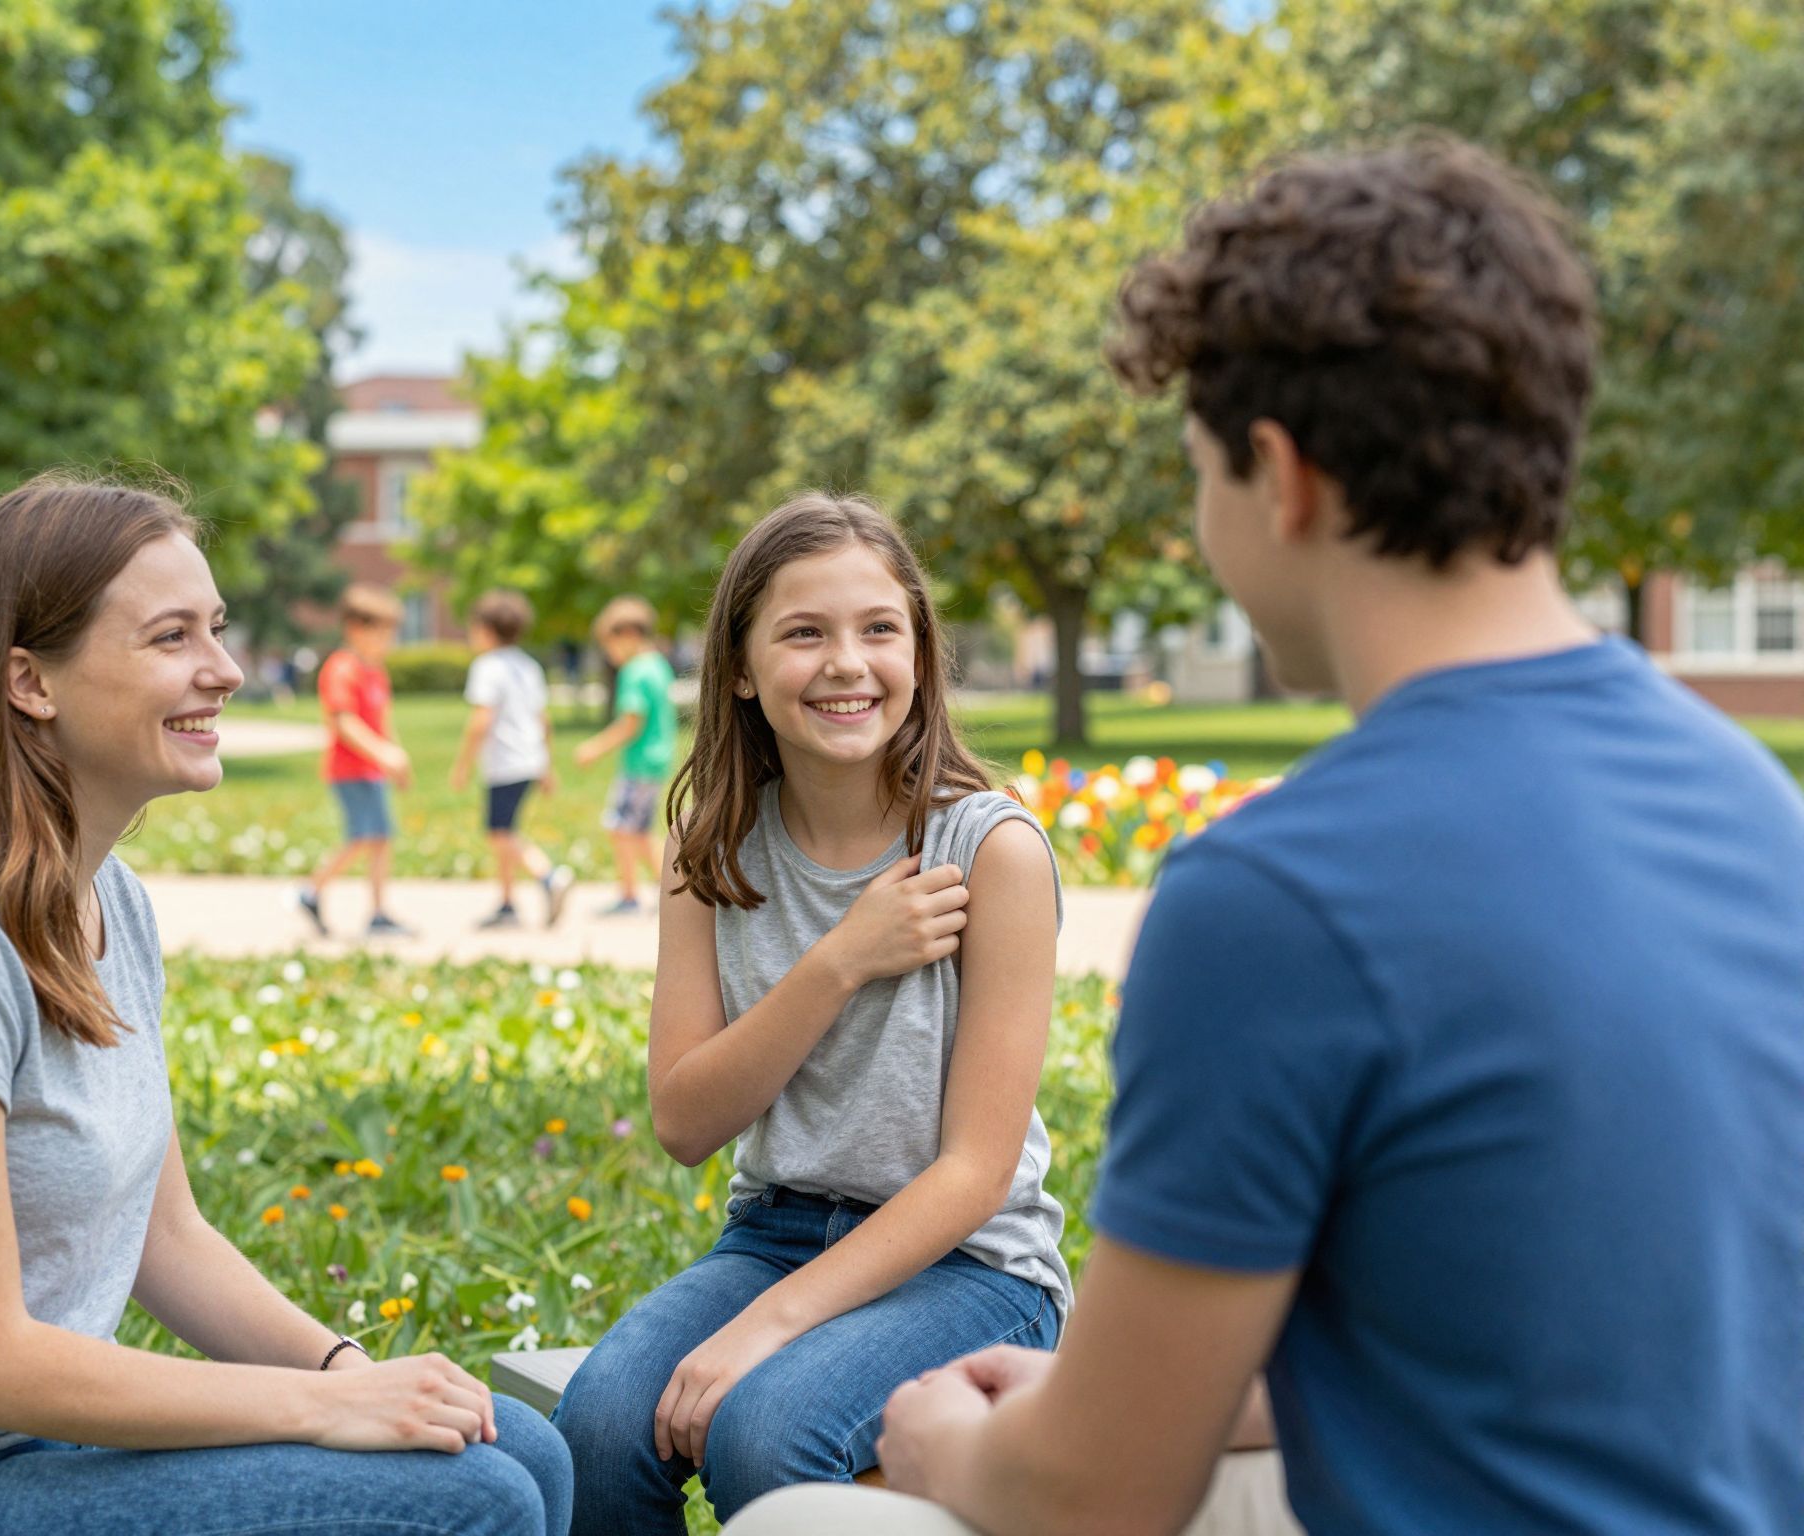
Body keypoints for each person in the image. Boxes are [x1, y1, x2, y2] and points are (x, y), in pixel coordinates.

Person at [733, 139, 1804, 1536]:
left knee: (805, 1525)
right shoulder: (1756, 807)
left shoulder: (1279, 895)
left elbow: (1092, 1499)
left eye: (1199, 471)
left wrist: (938, 1433)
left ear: (1281, 480)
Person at [0, 472, 573, 1536]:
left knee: (524, 1451)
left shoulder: (112, 905)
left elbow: (165, 1236)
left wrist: (352, 1369)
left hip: (26, 1460)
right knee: (472, 1504)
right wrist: (323, 1407)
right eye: (172, 638)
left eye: (218, 630)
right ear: (29, 682)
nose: (224, 671)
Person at [551, 493, 1072, 1534]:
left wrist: (765, 1331)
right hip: (774, 1233)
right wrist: (838, 962)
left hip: (969, 1267)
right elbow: (684, 1121)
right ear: (739, 669)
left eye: (879, 629)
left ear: (918, 654)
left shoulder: (989, 852)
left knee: (765, 1432)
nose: (846, 663)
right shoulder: (710, 854)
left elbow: (975, 1172)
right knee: (599, 1431)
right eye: (803, 633)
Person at [297, 584, 415, 939]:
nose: (388, 642)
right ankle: (312, 891)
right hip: (349, 771)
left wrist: (396, 757)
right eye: (382, 634)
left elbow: (383, 721)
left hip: (372, 771)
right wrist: (384, 754)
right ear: (355, 629)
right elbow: (343, 722)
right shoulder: (342, 668)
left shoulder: (375, 671)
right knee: (363, 837)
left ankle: (376, 911)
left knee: (379, 838)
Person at [451, 590, 573, 928]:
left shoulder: (487, 666)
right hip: (529, 759)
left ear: (487, 629)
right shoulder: (528, 665)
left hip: (504, 762)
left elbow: (481, 720)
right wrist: (547, 766)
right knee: (506, 828)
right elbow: (543, 720)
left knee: (500, 833)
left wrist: (461, 765)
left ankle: (548, 877)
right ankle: (507, 903)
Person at [575, 596, 678, 915]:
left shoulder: (635, 671)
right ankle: (669, 893)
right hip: (657, 759)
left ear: (629, 635)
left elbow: (630, 722)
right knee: (637, 829)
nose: (610, 654)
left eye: (610, 645)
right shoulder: (658, 665)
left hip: (640, 762)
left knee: (622, 828)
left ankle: (636, 895)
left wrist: (595, 748)